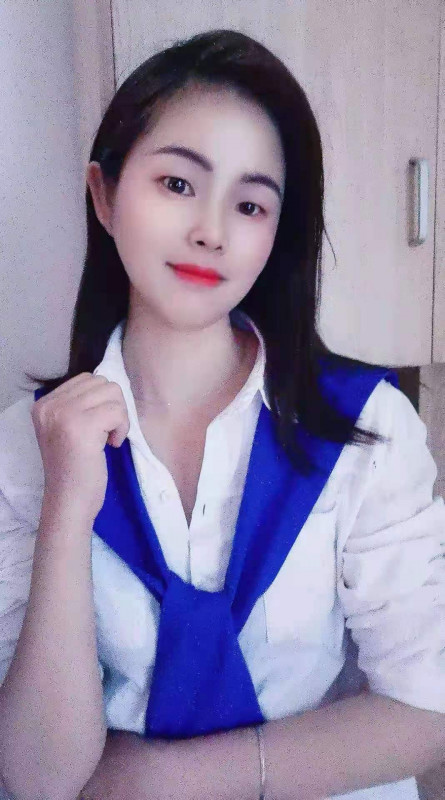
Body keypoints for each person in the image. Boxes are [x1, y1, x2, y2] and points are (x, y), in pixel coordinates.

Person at [0, 27, 444, 800]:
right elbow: (38, 777)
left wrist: (174, 780)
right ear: (104, 195)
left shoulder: (367, 429)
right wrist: (67, 507)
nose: (211, 229)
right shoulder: (28, 443)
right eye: (177, 184)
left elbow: (426, 705)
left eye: (249, 203)